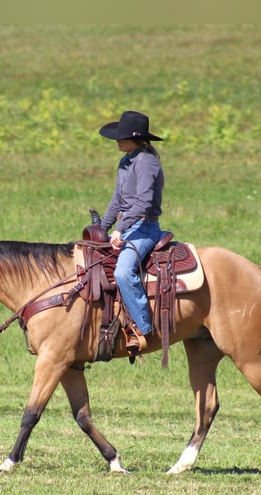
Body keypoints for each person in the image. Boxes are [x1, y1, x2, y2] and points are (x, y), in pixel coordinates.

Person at [98, 110, 165, 355]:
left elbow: (144, 202)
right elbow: (117, 200)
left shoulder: (146, 162)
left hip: (144, 226)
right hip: (125, 225)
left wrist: (120, 229)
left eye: (122, 137)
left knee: (123, 272)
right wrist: (101, 228)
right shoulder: (125, 161)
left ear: (136, 139)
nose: (117, 140)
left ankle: (142, 328)